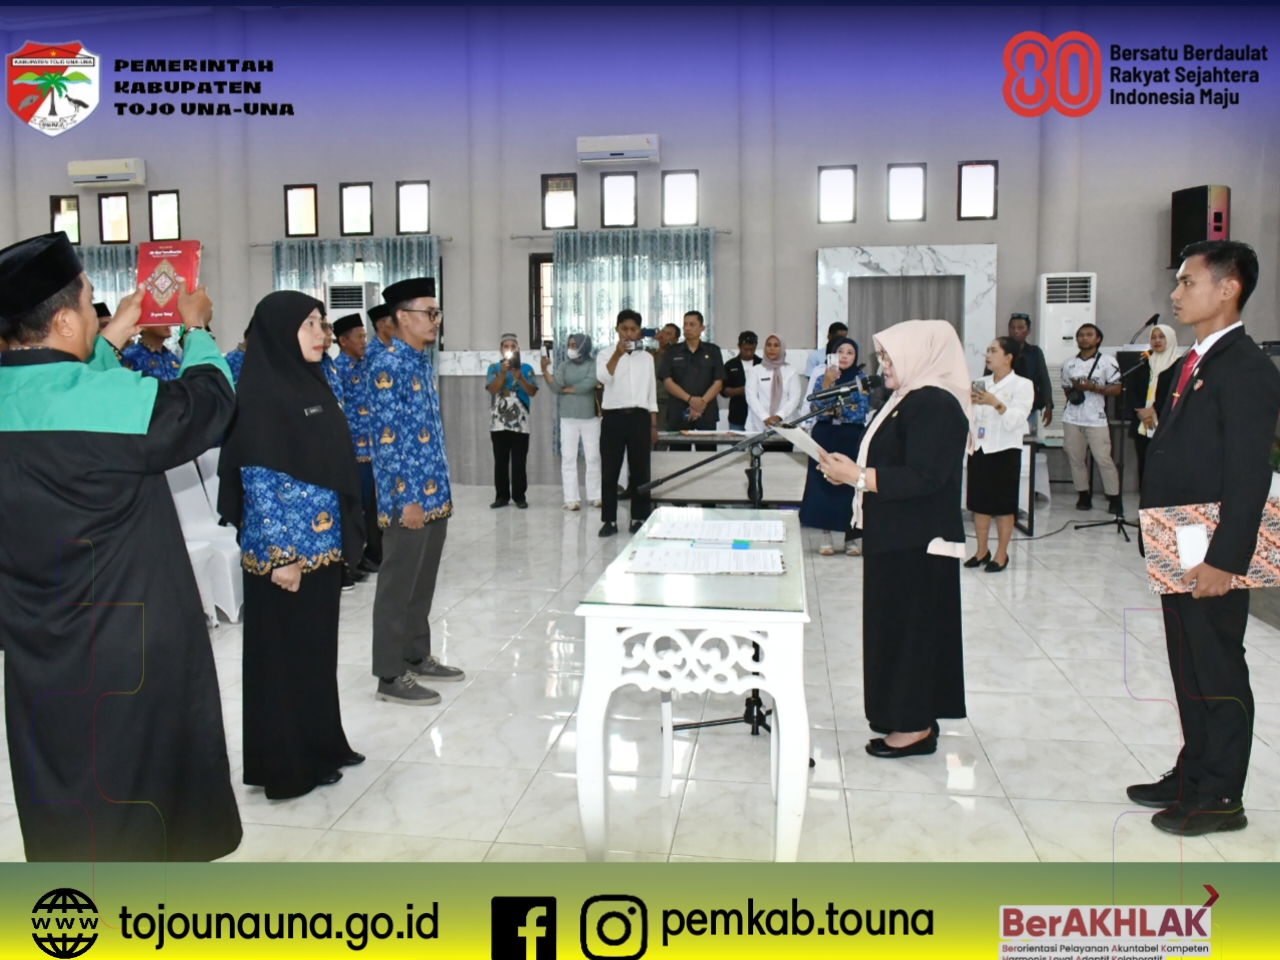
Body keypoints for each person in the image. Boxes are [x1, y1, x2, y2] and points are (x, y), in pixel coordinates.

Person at [0, 232, 241, 860]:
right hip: (124, 645)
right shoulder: (105, 403)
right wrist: (196, 331)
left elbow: (70, 397)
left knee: (61, 782)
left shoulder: (46, 397)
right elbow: (204, 406)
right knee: (137, 795)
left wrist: (110, 338)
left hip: (35, 645)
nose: (95, 311)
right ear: (62, 320)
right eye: (88, 302)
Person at [1129, 240, 1280, 837]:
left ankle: (1221, 795)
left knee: (1216, 667)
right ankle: (1193, 774)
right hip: (1180, 535)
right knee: (1187, 664)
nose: (1175, 293)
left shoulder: (1246, 369)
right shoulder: (1191, 363)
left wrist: (1226, 561)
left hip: (1213, 546)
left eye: (1188, 282)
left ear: (1228, 288)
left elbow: (1249, 474)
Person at [217, 292, 366, 799]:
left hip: (320, 547)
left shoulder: (314, 381)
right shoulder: (260, 394)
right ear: (281, 331)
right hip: (285, 557)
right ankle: (289, 765)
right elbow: (258, 482)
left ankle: (323, 745)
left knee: (316, 654)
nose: (322, 334)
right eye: (310, 325)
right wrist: (283, 556)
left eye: (322, 323)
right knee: (285, 663)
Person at [817, 320, 971, 760]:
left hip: (918, 541)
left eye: (889, 357)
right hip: (897, 536)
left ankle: (915, 726)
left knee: (911, 636)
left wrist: (858, 477)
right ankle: (900, 714)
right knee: (894, 632)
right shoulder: (908, 399)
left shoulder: (936, 403)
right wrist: (852, 472)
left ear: (919, 355)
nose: (882, 365)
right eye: (881, 356)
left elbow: (926, 476)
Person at [366, 277, 463, 705]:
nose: (435, 320)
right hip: (408, 498)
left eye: (437, 312)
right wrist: (408, 498)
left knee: (422, 583)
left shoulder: (420, 361)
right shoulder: (387, 366)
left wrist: (437, 493)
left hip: (433, 493)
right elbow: (388, 442)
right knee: (397, 586)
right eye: (429, 312)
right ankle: (390, 674)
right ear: (403, 317)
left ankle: (415, 655)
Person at [965, 337, 1034, 573]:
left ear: (1008, 357)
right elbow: (973, 416)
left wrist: (996, 403)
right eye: (987, 350)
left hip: (1005, 450)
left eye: (994, 351)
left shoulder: (1022, 385)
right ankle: (981, 551)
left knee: (1004, 505)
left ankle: (1001, 554)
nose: (988, 355)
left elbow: (1016, 420)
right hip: (980, 448)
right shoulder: (980, 382)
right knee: (979, 504)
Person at [799, 337, 870, 556]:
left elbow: (860, 411)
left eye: (850, 352)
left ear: (855, 356)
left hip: (851, 436)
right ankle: (826, 536)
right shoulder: (824, 377)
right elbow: (816, 407)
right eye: (840, 352)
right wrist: (828, 385)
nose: (845, 356)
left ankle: (851, 538)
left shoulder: (861, 379)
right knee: (823, 485)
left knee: (850, 485)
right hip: (825, 435)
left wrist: (836, 409)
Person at [598, 309, 657, 537]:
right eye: (624, 329)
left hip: (640, 418)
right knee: (609, 471)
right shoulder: (605, 354)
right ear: (617, 330)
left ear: (639, 331)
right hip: (613, 417)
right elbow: (603, 378)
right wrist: (617, 354)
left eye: (633, 329)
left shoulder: (647, 358)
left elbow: (651, 392)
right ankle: (609, 520)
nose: (629, 333)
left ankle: (638, 518)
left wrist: (653, 424)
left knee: (640, 470)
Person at [334, 312, 382, 571]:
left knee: (373, 506)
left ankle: (374, 553)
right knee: (357, 508)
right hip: (353, 453)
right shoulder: (337, 370)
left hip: (373, 450)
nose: (364, 341)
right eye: (359, 337)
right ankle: (353, 559)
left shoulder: (366, 366)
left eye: (365, 336)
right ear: (343, 341)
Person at [1061, 322, 1122, 514]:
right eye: (1080, 335)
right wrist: (1076, 392)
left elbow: (1117, 388)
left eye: (1089, 334)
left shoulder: (1108, 361)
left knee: (1104, 458)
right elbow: (1066, 387)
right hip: (1072, 417)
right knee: (1076, 459)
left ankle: (1114, 497)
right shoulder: (1069, 363)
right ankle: (1083, 495)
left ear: (1098, 339)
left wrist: (1092, 387)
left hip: (1096, 418)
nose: (1084, 338)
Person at [542, 332, 601, 510]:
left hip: (590, 417)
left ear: (584, 347)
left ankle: (595, 496)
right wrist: (545, 371)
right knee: (568, 457)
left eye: (574, 346)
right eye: (569, 345)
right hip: (568, 417)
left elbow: (590, 383)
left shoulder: (593, 364)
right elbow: (556, 386)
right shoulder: (564, 365)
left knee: (593, 457)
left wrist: (568, 389)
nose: (570, 349)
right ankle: (571, 499)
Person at [657, 309, 724, 449]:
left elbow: (718, 382)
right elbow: (667, 381)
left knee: (707, 454)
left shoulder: (713, 351)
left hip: (706, 412)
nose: (687, 328)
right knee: (679, 454)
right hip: (678, 412)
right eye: (685, 324)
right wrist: (690, 400)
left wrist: (701, 403)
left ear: (702, 328)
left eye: (692, 324)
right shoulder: (672, 351)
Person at [486, 333, 538, 509]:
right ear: (501, 350)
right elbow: (492, 389)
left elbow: (532, 392)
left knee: (519, 461)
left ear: (518, 349)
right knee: (500, 461)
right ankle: (501, 496)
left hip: (521, 422)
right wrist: (502, 373)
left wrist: (519, 377)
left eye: (512, 347)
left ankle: (519, 496)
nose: (509, 349)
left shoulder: (527, 368)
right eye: (506, 347)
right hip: (498, 422)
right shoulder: (494, 368)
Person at [1128, 322, 1180, 486]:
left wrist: (1153, 409)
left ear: (1170, 339)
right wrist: (1142, 414)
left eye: (1162, 337)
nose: (1157, 341)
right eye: (1153, 337)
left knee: (1166, 468)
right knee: (1145, 466)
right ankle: (1145, 501)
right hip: (1143, 424)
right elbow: (1132, 391)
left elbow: (1176, 394)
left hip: (1168, 424)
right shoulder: (1143, 364)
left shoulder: (1179, 366)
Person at [744, 334, 803, 434]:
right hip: (759, 426)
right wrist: (765, 417)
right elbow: (751, 397)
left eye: (776, 345)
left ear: (782, 348)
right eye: (769, 345)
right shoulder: (755, 371)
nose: (772, 348)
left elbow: (794, 399)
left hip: (785, 426)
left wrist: (779, 416)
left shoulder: (791, 372)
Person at [1008, 312, 1053, 430]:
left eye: (1020, 328)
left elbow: (1044, 379)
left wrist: (1048, 405)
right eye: (1012, 327)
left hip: (1028, 406)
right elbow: (988, 376)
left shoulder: (1034, 352)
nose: (1016, 331)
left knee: (1026, 437)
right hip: (1004, 404)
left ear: (1028, 331)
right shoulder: (1000, 350)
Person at [722, 331, 760, 431]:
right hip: (737, 415)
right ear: (739, 346)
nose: (749, 353)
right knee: (737, 440)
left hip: (759, 416)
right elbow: (723, 390)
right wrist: (738, 391)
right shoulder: (730, 365)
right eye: (745, 349)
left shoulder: (762, 364)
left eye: (752, 349)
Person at [652, 322, 681, 434]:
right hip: (649, 402)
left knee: (662, 435)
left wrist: (668, 345)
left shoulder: (677, 356)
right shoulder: (652, 354)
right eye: (663, 332)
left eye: (669, 334)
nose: (663, 336)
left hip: (667, 403)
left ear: (676, 340)